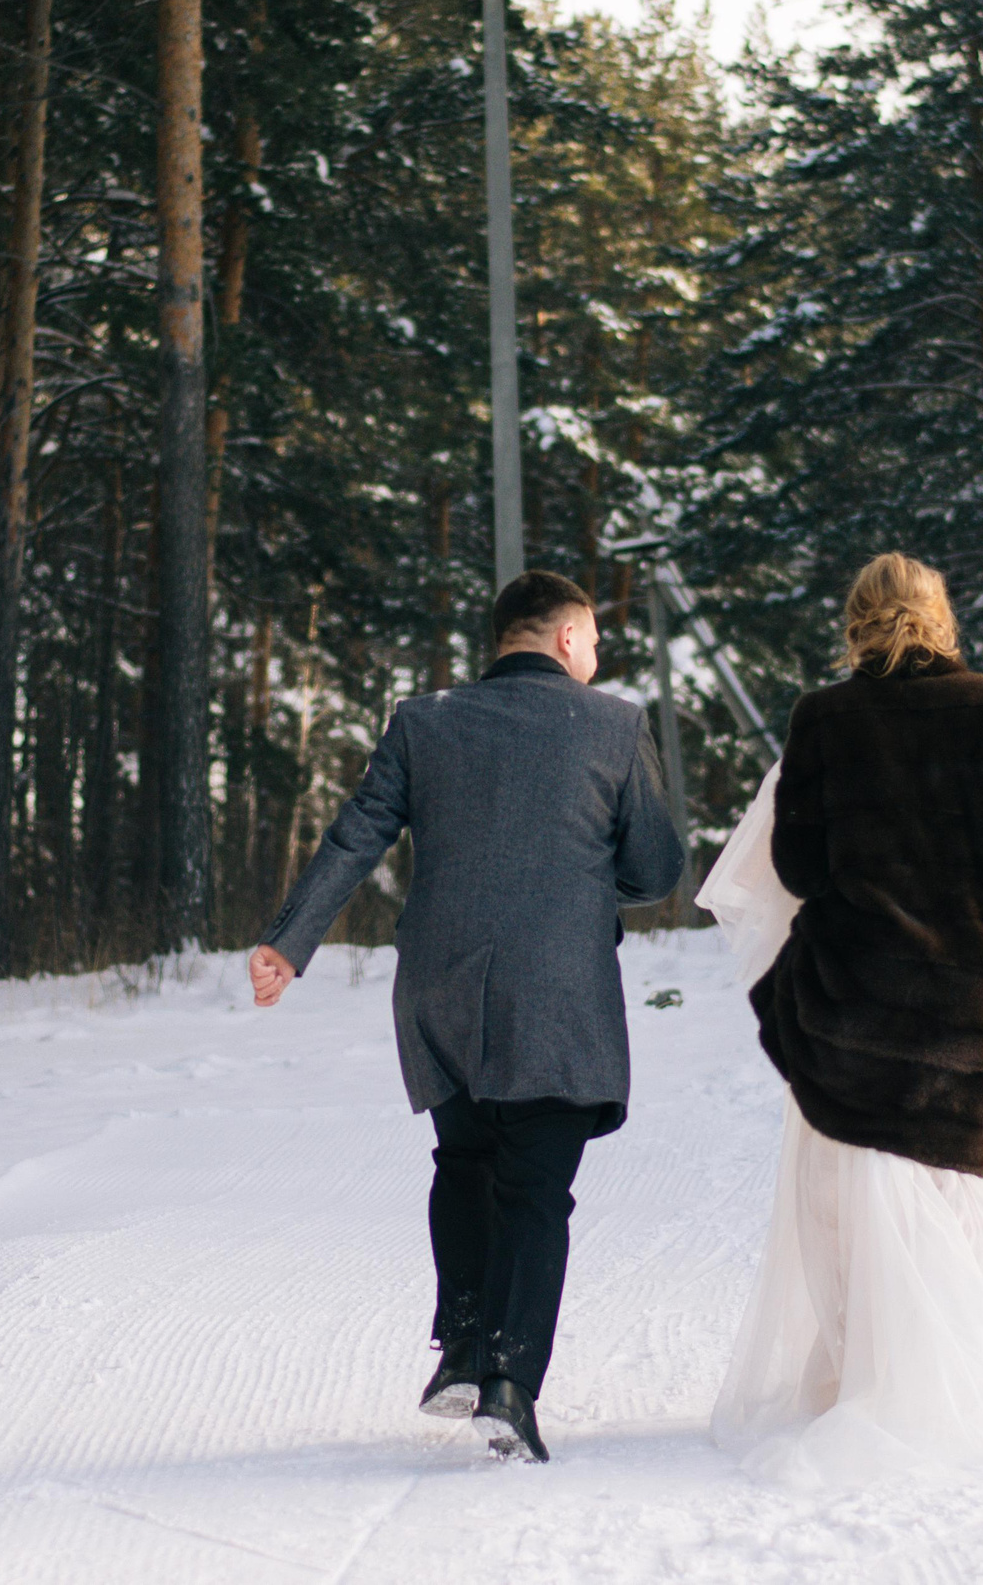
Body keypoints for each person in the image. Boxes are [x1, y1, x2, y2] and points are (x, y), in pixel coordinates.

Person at [248, 569, 686, 1463]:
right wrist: (582, 873)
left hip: (441, 984)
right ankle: (510, 1384)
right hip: (557, 989)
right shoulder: (612, 724)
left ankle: (461, 1346)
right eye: (594, 640)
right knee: (535, 1186)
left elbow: (355, 835)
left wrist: (289, 942)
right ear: (567, 638)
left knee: (465, 1157)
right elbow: (655, 867)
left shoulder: (424, 720)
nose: (596, 656)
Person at [699, 551, 983, 1485]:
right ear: (938, 617)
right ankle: (962, 1383)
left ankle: (873, 1377)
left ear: (858, 623)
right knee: (946, 1188)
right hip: (965, 996)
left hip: (855, 995)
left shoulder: (823, 718)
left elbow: (796, 867)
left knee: (859, 1196)